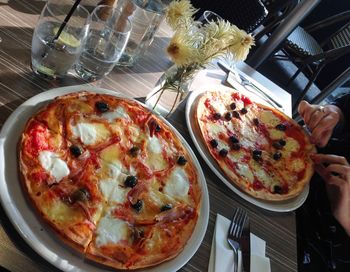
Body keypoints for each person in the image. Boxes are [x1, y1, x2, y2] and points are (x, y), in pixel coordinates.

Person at [297, 93, 350, 272]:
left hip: (321, 246)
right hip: (298, 161)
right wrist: (331, 114)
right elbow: (344, 107)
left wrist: (347, 217)